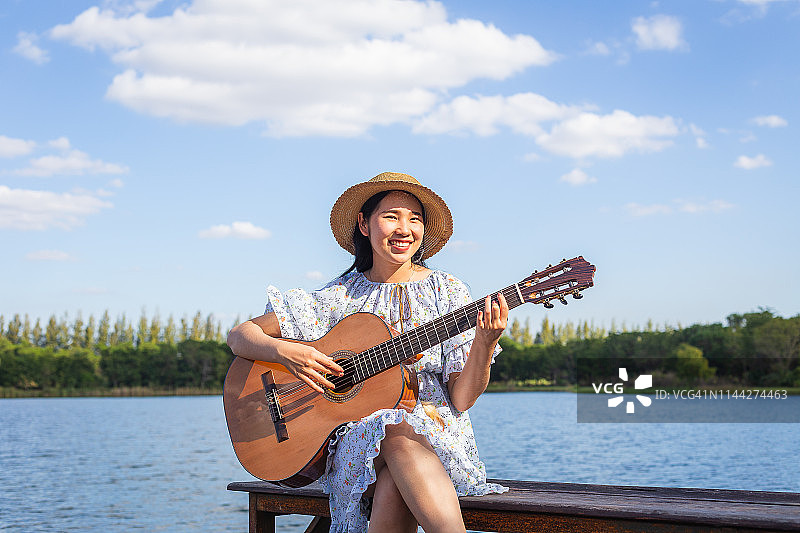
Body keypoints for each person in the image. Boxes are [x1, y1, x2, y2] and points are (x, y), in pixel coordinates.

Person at [227, 172, 509, 533]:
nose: (404, 228)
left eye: (415, 219)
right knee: (392, 427)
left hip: (438, 445)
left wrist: (484, 344)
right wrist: (287, 354)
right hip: (355, 450)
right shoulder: (340, 297)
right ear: (364, 223)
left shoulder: (448, 292)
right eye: (391, 216)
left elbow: (462, 398)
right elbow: (241, 336)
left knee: (395, 469)